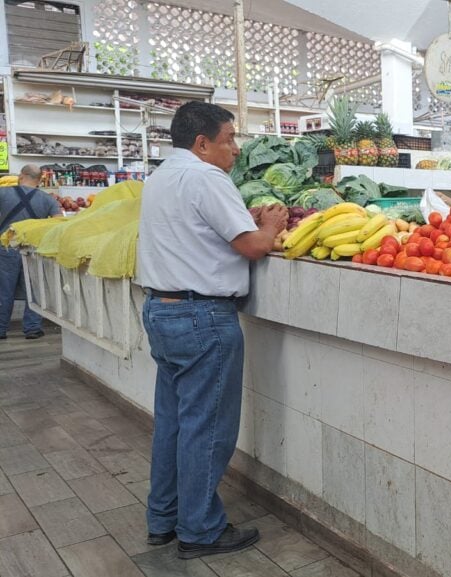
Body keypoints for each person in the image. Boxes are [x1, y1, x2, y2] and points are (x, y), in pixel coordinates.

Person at [136, 101, 287, 559]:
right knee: (207, 430)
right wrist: (272, 224)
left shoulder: (159, 177)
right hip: (202, 319)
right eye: (228, 139)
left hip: (162, 312)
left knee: (174, 425)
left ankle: (162, 520)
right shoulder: (206, 177)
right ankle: (200, 530)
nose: (236, 149)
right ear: (202, 143)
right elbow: (254, 247)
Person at [0, 164, 61, 340]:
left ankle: (1, 328)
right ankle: (32, 328)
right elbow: (58, 222)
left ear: (22, 175)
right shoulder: (48, 199)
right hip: (33, 249)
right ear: (40, 179)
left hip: (7, 248)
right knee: (33, 289)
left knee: (4, 290)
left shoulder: (3, 193)